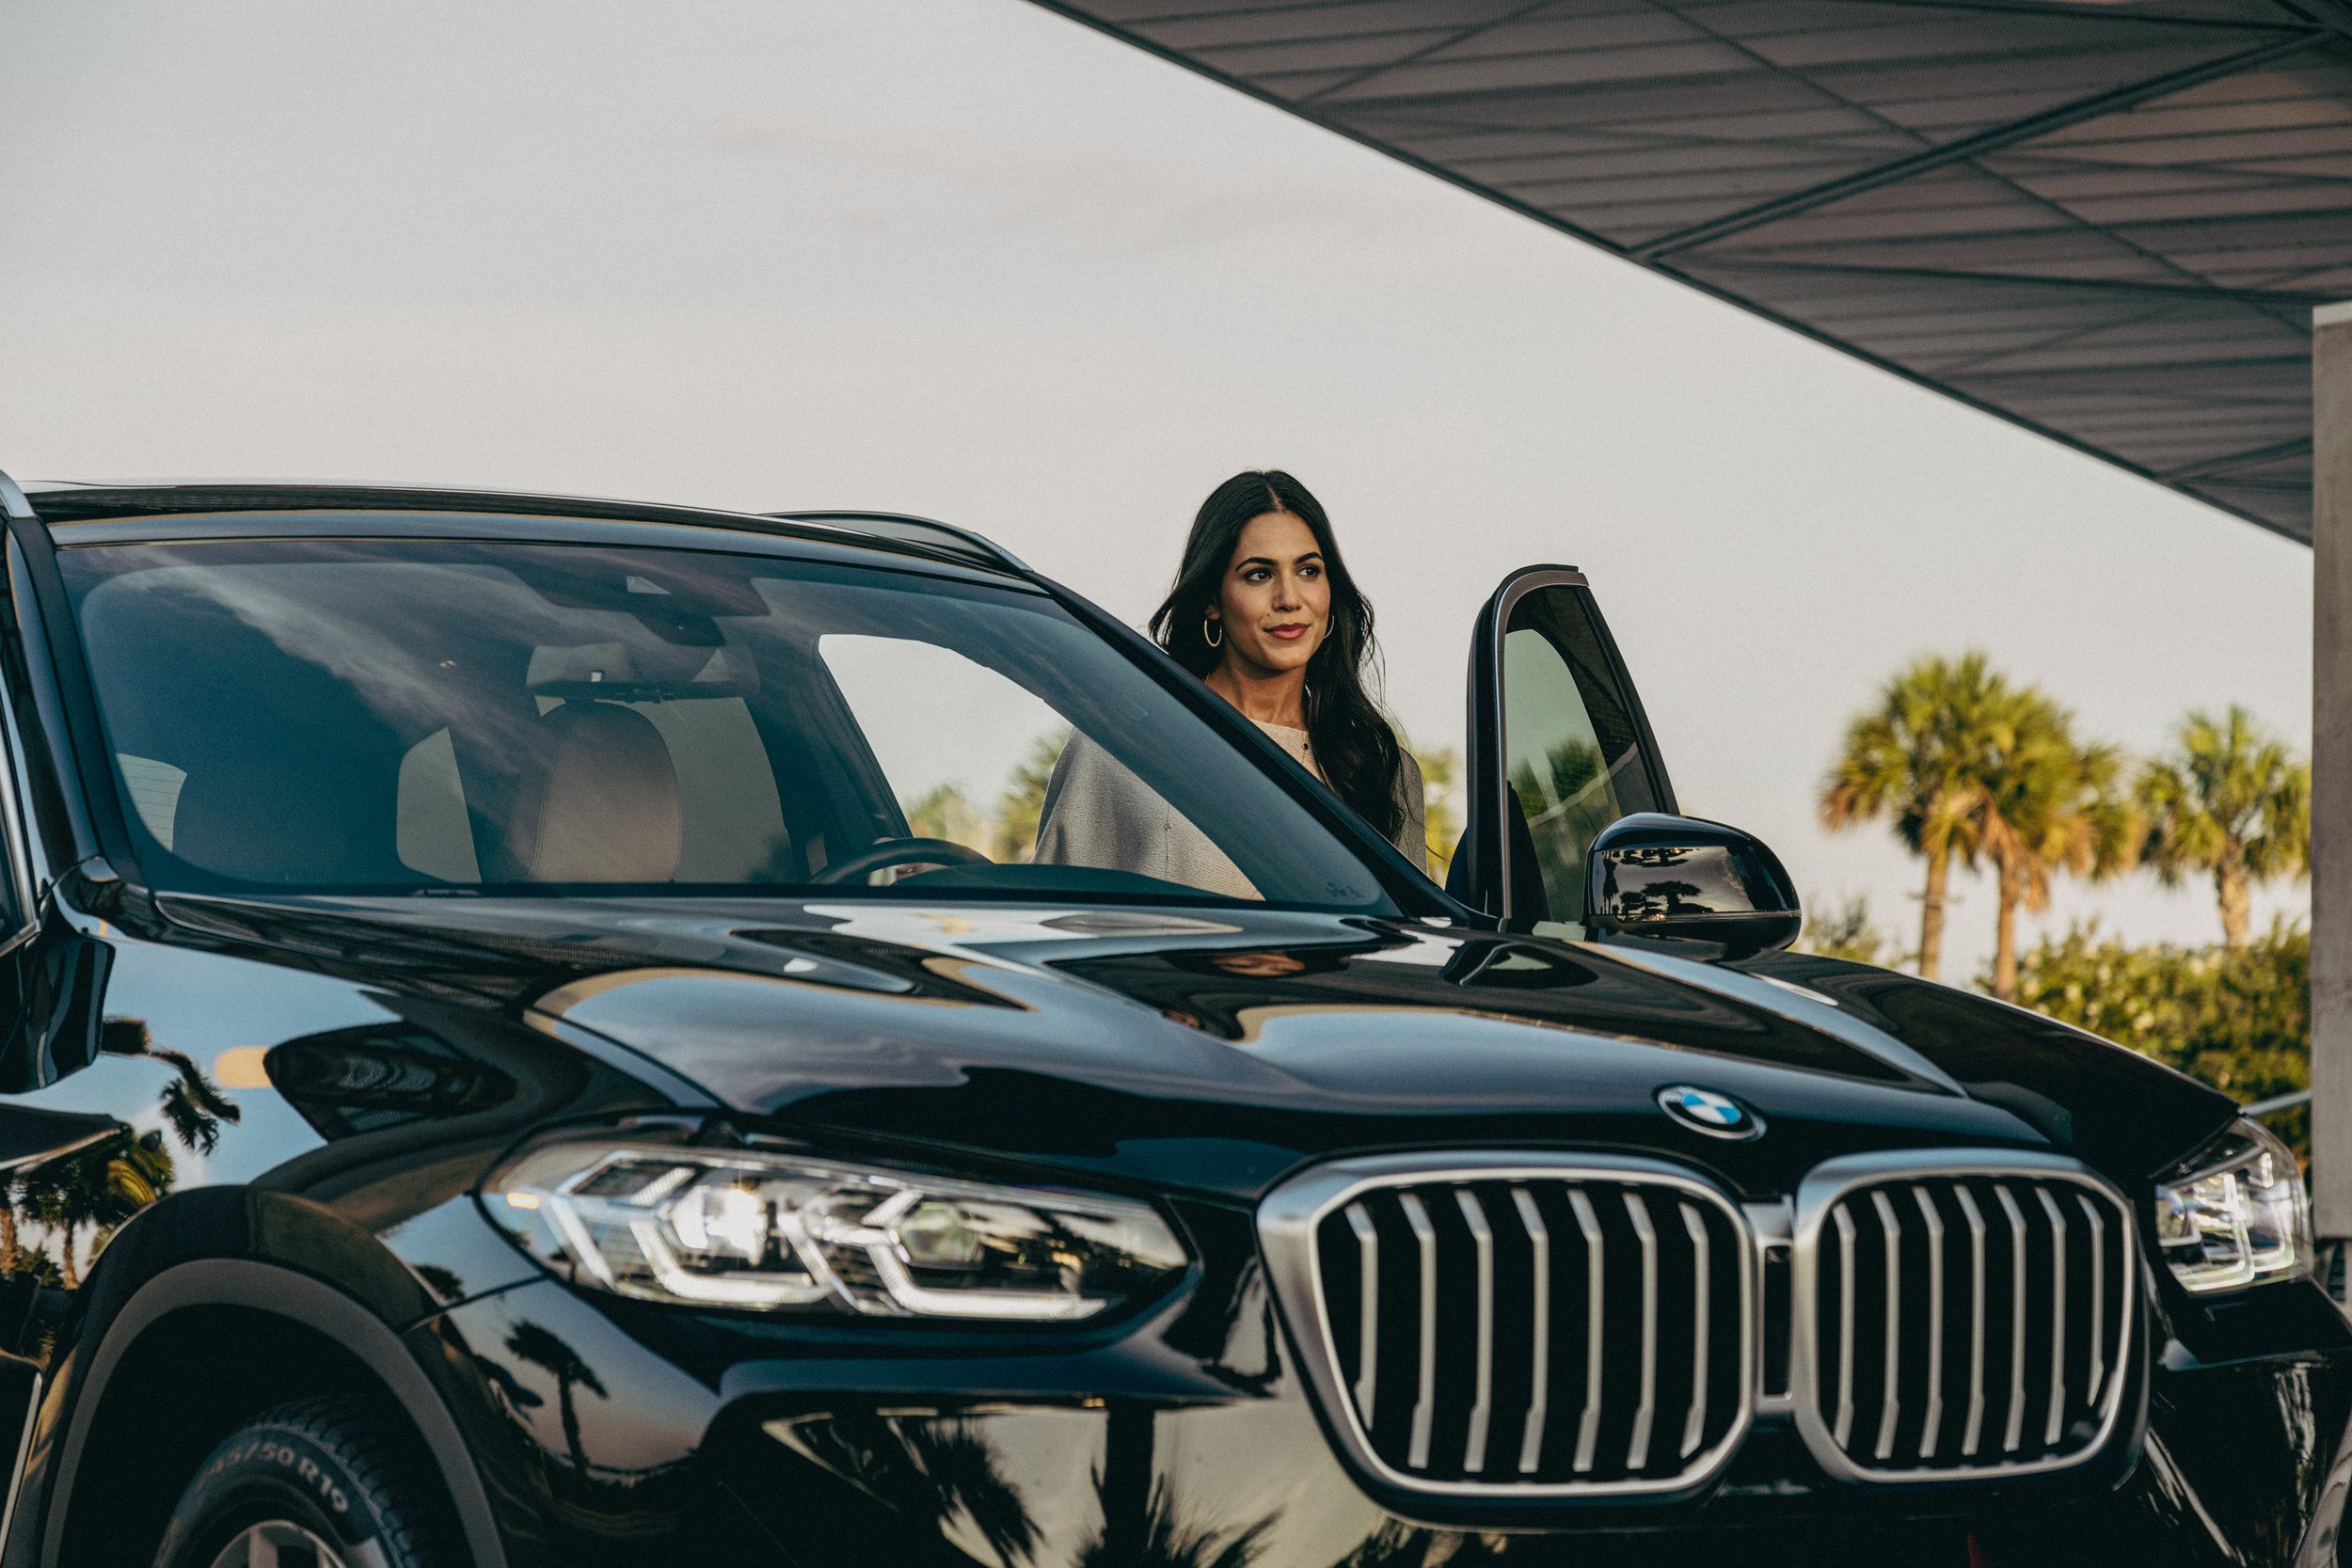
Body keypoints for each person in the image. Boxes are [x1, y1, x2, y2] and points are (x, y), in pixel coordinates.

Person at [1035, 469, 1425, 897]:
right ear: (1211, 600)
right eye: (1259, 574)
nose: (1290, 598)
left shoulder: (1379, 767)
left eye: (1309, 571)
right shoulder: (1122, 745)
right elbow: (1058, 919)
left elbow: (1406, 948)